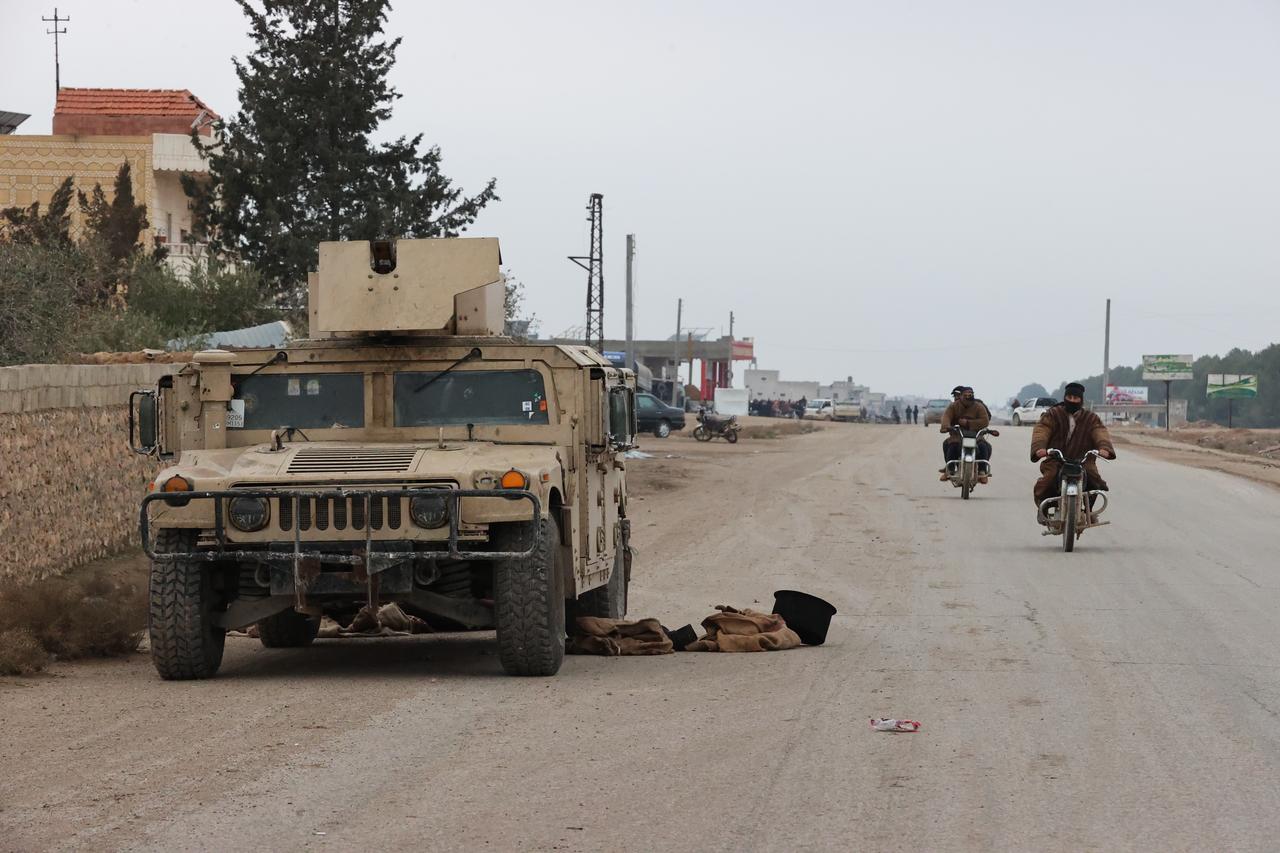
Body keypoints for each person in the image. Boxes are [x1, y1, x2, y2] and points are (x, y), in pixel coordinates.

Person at [1030, 382, 1115, 513]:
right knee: (1047, 480)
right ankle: (1043, 509)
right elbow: (1042, 430)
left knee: (1094, 479)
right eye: (1069, 397)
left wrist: (1104, 448)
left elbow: (1100, 432)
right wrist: (1039, 448)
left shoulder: (1091, 418)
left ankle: (1089, 511)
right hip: (1056, 458)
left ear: (1081, 400)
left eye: (1076, 398)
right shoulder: (1053, 414)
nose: (1072, 400)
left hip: (1083, 460)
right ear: (1065, 397)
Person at [939, 386, 991, 481]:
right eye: (965, 395)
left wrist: (968, 423)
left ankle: (982, 471)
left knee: (985, 447)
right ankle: (949, 469)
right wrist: (945, 426)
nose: (968, 397)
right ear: (961, 396)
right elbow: (946, 417)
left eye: (970, 395)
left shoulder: (979, 406)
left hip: (975, 435)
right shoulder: (953, 406)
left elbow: (985, 420)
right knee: (951, 445)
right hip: (958, 434)